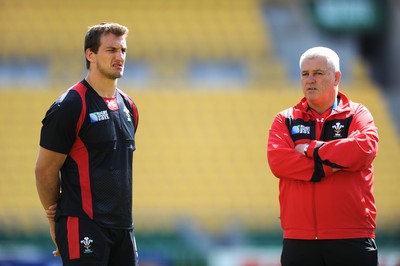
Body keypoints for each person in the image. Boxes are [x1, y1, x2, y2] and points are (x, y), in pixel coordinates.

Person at [35, 22, 139, 265]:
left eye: (123, 50)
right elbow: (44, 170)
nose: (119, 57)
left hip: (124, 229)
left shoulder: (129, 107)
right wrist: (54, 221)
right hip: (83, 227)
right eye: (111, 50)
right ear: (90, 54)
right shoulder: (71, 105)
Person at [267, 47, 379, 266]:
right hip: (299, 240)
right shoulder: (285, 118)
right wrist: (330, 166)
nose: (310, 80)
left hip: (352, 236)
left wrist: (311, 149)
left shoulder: (358, 113)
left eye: (318, 73)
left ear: (336, 77)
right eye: (305, 74)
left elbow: (363, 150)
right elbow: (278, 162)